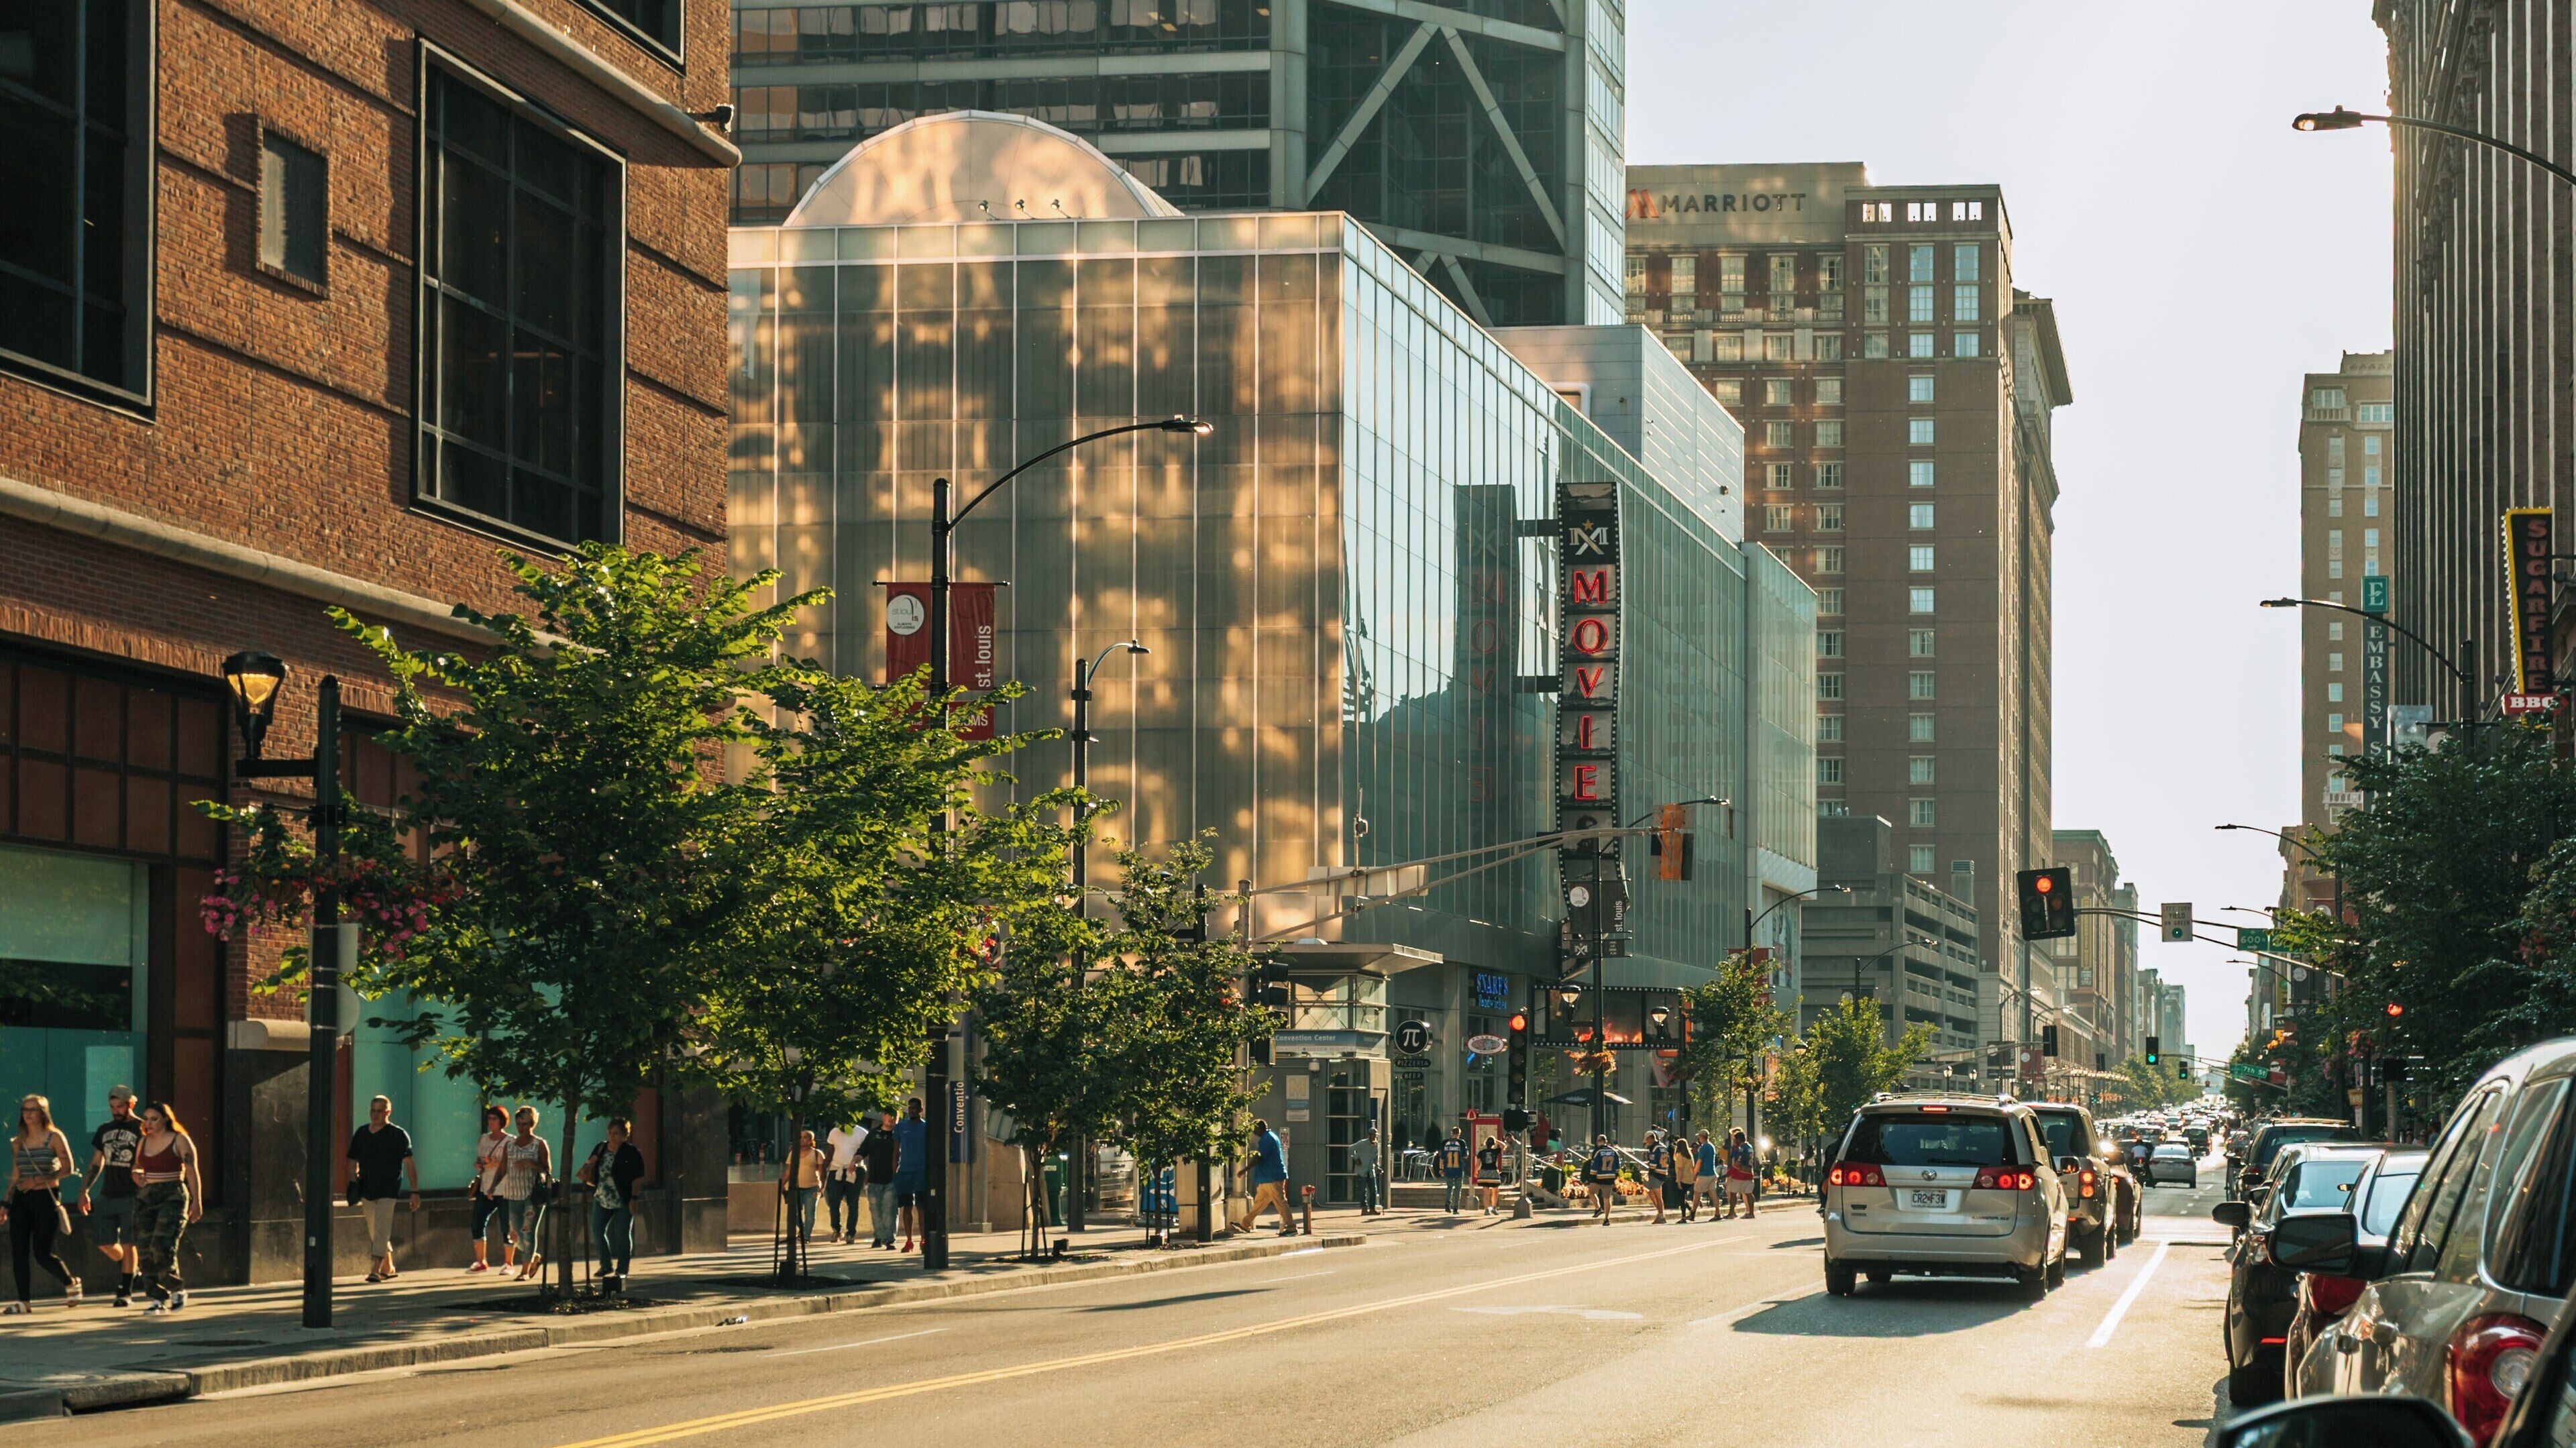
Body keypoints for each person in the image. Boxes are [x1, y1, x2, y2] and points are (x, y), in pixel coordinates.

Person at [5, 1093, 76, 1312]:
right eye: (25, 1110)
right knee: (19, 1250)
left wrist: (37, 1180)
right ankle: (24, 1301)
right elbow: (16, 1174)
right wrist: (6, 1202)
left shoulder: (54, 1137)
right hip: (22, 1200)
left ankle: (70, 1282)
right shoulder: (18, 1142)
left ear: (42, 1113)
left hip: (46, 1196)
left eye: (33, 1110)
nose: (28, 1114)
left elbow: (68, 1169)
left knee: (42, 1253)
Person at [129, 1101, 201, 1313]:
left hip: (172, 1194)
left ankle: (176, 1289)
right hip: (146, 1196)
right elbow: (137, 1166)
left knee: (161, 1245)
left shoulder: (179, 1140)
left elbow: (191, 1170)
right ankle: (157, 1297)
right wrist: (135, 1174)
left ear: (166, 1119)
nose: (149, 1123)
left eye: (154, 1119)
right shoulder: (143, 1141)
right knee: (144, 1249)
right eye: (147, 1119)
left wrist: (197, 1201)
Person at [77, 1086, 143, 1305]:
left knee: (128, 1242)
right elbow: (97, 1162)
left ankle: (125, 1291)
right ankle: (133, 1271)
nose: (116, 1111)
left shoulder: (141, 1128)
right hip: (108, 1193)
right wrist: (84, 1191)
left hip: (132, 1194)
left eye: (120, 1106)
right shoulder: (105, 1129)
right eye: (112, 1107)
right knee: (104, 1242)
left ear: (130, 1104)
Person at [345, 1094, 421, 1283]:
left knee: (381, 1229)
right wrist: (353, 1179)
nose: (375, 1115)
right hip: (367, 1189)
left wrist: (415, 1192)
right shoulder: (362, 1133)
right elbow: (352, 1159)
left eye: (380, 1111)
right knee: (374, 1229)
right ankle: (389, 1267)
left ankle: (375, 1270)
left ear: (388, 1112)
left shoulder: (398, 1135)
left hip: (389, 1188)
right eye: (373, 1110)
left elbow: (409, 1163)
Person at [579, 1117, 646, 1292]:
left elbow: (637, 1177)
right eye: (610, 1133)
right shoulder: (601, 1147)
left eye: (616, 1134)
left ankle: (622, 1270)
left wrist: (634, 1198)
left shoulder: (630, 1152)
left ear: (625, 1135)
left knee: (623, 1234)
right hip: (602, 1197)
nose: (612, 1137)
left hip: (623, 1198)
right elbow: (591, 1162)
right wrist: (589, 1165)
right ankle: (605, 1264)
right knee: (597, 1230)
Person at [497, 1106, 553, 1281]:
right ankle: (534, 1256)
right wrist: (492, 1187)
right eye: (519, 1123)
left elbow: (547, 1169)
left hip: (532, 1195)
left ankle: (525, 1271)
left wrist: (531, 1163)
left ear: (532, 1124)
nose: (521, 1128)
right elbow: (502, 1168)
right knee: (514, 1235)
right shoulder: (510, 1145)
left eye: (525, 1124)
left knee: (528, 1233)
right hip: (512, 1194)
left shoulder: (539, 1144)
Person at [468, 1105, 512, 1274]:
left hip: (504, 1188)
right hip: (485, 1187)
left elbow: (511, 1164)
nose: (491, 1122)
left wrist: (497, 1163)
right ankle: (481, 1261)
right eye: (489, 1119)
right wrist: (480, 1164)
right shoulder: (484, 1139)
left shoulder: (510, 1141)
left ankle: (508, 1263)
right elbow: (479, 1160)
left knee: (507, 1227)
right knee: (477, 1223)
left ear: (502, 1121)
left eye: (495, 1119)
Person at [1236, 1121, 1293, 1235]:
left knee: (1281, 1202)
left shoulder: (1267, 1139)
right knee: (1259, 1203)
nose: (1254, 1132)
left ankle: (1291, 1228)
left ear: (1260, 1128)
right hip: (1267, 1177)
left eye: (1255, 1129)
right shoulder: (1270, 1137)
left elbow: (1259, 1158)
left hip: (1273, 1177)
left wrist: (1244, 1170)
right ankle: (1245, 1224)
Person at [891, 1098, 928, 1254]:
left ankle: (924, 1239)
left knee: (921, 1206)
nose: (911, 1111)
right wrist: (894, 1172)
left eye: (914, 1108)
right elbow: (895, 1152)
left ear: (921, 1110)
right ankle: (908, 1241)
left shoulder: (926, 1128)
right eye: (909, 1108)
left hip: (921, 1171)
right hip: (905, 1171)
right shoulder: (900, 1127)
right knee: (907, 1207)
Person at [859, 1109, 900, 1248]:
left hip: (892, 1179)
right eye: (889, 1116)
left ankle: (889, 1240)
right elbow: (862, 1151)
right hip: (874, 1178)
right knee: (875, 1210)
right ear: (883, 1117)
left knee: (890, 1209)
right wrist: (854, 1161)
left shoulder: (898, 1134)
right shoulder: (873, 1134)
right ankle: (878, 1236)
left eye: (895, 1117)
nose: (891, 1120)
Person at [779, 1128, 826, 1247]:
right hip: (796, 1188)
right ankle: (803, 1229)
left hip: (813, 1188)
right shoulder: (793, 1154)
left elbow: (822, 1171)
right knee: (793, 1213)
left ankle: (806, 1237)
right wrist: (782, 1183)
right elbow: (789, 1170)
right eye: (800, 1137)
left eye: (805, 1137)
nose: (802, 1140)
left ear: (811, 1140)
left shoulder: (817, 1154)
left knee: (810, 1214)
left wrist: (823, 1187)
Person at [824, 1116, 867, 1245]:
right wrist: (822, 1172)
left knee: (853, 1203)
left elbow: (866, 1153)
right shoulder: (834, 1132)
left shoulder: (862, 1133)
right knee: (833, 1201)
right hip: (836, 1170)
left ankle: (851, 1233)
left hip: (855, 1170)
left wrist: (867, 1173)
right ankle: (836, 1229)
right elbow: (830, 1153)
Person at [1585, 1133, 1622, 1225]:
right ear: (1606, 1142)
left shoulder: (1597, 1152)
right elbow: (1618, 1166)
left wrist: (1592, 1177)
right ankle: (1606, 1219)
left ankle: (1598, 1208)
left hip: (1599, 1177)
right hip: (1610, 1177)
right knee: (1607, 1198)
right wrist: (1615, 1175)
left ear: (1598, 1142)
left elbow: (1594, 1165)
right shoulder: (1614, 1152)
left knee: (1591, 1192)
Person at [1725, 1127, 1758, 1219]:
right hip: (1749, 1174)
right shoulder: (1750, 1147)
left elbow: (1738, 1163)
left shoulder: (1741, 1148)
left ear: (1739, 1139)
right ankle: (1751, 1213)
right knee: (1749, 1194)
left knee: (1733, 1193)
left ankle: (1732, 1212)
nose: (1734, 1141)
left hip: (1739, 1175)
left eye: (1735, 1139)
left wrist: (1729, 1173)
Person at [1351, 1125, 1384, 1216]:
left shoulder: (1376, 1145)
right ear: (1369, 1135)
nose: (1374, 1137)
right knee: (1363, 1190)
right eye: (1372, 1135)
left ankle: (1372, 1208)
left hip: (1371, 1171)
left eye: (1375, 1135)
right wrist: (1356, 1158)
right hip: (1362, 1170)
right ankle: (1364, 1208)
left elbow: (1375, 1158)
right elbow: (1351, 1149)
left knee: (1373, 1190)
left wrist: (1378, 1168)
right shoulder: (1362, 1143)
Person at [1434, 1127, 1468, 1214]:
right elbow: (1465, 1156)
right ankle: (1456, 1208)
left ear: (1451, 1133)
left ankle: (1447, 1203)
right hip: (1458, 1169)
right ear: (1459, 1133)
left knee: (1449, 1187)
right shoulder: (1461, 1142)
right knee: (1458, 1189)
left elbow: (1441, 1157)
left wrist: (1441, 1168)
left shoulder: (1445, 1142)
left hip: (1448, 1168)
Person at [1670, 1126, 1699, 1223]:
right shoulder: (1689, 1156)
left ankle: (1683, 1217)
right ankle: (1691, 1211)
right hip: (1690, 1179)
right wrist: (1694, 1177)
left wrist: (1678, 1181)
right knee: (1682, 1197)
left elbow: (1680, 1170)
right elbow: (1692, 1168)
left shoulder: (1679, 1156)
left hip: (1682, 1179)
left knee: (1681, 1199)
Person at [1692, 1130, 1722, 1217]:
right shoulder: (1711, 1146)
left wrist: (1694, 1174)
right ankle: (1717, 1213)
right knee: (1713, 1194)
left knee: (1697, 1193)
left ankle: (1693, 1213)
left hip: (1704, 1174)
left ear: (1701, 1137)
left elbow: (1699, 1162)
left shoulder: (1703, 1148)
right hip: (1712, 1173)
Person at [1644, 1130, 1672, 1224]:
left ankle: (1661, 1214)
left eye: (1647, 1139)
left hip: (1656, 1173)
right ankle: (1660, 1212)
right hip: (1664, 1172)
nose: (1646, 1142)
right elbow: (1669, 1161)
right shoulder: (1664, 1147)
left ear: (1651, 1138)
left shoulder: (1654, 1148)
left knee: (1657, 1195)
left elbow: (1653, 1164)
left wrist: (1650, 1172)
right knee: (1651, 1192)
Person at [1475, 1134, 1504, 1215]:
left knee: (1486, 1192)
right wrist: (1496, 1141)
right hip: (1494, 1172)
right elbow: (1504, 1145)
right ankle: (1494, 1207)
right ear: (1493, 1144)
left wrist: (1475, 1172)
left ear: (1486, 1143)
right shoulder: (1495, 1151)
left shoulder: (1482, 1152)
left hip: (1484, 1173)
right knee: (1495, 1191)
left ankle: (1486, 1210)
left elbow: (1478, 1164)